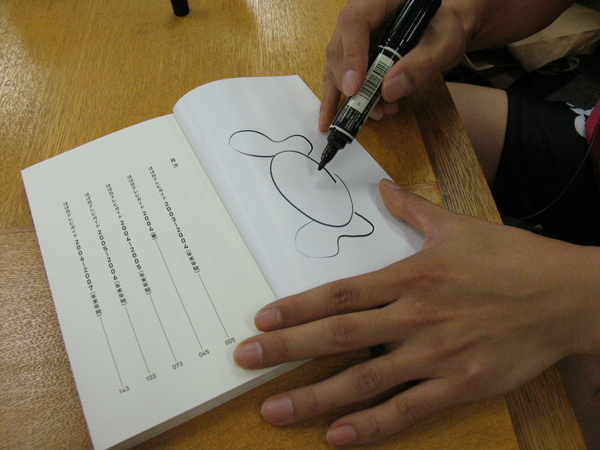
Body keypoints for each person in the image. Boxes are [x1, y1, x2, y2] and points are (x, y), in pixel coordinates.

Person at [233, 0, 600, 447]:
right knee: (411, 121)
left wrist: (574, 293)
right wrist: (462, 17)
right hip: (589, 142)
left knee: (538, 411)